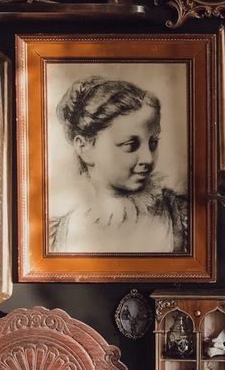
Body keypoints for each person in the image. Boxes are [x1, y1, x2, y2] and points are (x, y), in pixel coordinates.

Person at [49, 76, 189, 254]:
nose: (148, 158)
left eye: (153, 143)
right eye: (130, 145)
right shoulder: (61, 233)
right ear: (84, 147)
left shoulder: (180, 215)